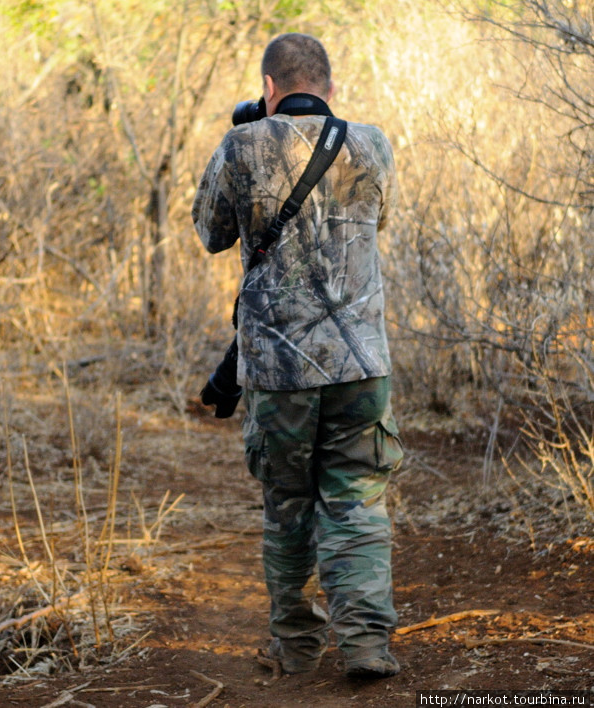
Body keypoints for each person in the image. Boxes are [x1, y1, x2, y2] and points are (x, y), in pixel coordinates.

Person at [192, 33, 404, 679]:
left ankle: (297, 649)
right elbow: (377, 221)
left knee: (287, 507)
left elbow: (210, 232)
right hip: (362, 364)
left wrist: (252, 142)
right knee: (357, 503)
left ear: (268, 88)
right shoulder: (373, 145)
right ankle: (366, 645)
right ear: (330, 89)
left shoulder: (242, 145)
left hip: (279, 371)